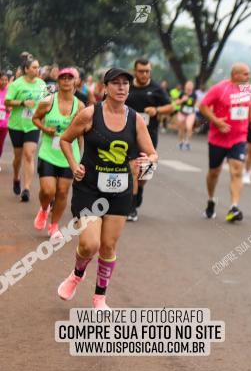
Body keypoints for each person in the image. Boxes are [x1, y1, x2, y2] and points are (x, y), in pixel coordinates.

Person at [56, 68, 158, 310]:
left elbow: (152, 153)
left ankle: (99, 297)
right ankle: (77, 274)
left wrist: (150, 161)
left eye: (126, 84)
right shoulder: (90, 115)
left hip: (120, 190)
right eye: (117, 83)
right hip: (89, 188)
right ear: (105, 87)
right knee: (89, 244)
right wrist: (73, 165)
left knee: (109, 246)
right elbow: (65, 139)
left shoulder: (135, 119)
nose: (122, 88)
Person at [199, 63, 251, 222]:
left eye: (249, 74)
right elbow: (203, 106)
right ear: (235, 75)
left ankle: (234, 207)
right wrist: (216, 121)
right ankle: (211, 200)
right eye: (245, 74)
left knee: (237, 170)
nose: (249, 77)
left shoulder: (246, 88)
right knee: (214, 173)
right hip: (218, 138)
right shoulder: (220, 88)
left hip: (239, 137)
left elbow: (249, 105)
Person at [31, 67, 83, 239]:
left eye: (70, 78)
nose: (66, 81)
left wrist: (80, 156)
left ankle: (54, 226)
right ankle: (44, 208)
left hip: (69, 155)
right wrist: (46, 129)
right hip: (48, 153)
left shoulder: (80, 106)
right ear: (58, 81)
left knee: (62, 192)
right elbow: (35, 118)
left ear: (75, 82)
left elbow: (83, 131)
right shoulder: (48, 101)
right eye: (63, 78)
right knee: (48, 191)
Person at [125, 58, 173, 221]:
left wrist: (157, 109)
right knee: (133, 169)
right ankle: (131, 208)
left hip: (149, 136)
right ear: (135, 71)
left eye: (147, 71)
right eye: (141, 71)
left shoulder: (157, 89)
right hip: (129, 135)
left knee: (144, 175)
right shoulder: (128, 86)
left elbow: (171, 107)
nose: (144, 74)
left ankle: (139, 191)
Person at [5, 55, 47, 202]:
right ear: (26, 69)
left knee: (29, 154)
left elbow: (46, 102)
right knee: (18, 157)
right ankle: (16, 177)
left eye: (38, 67)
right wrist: (23, 102)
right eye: (34, 67)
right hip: (16, 125)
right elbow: (7, 101)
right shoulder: (17, 84)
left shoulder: (42, 84)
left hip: (33, 125)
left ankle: (27, 188)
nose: (37, 69)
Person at [175, 81, 197, 150]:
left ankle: (187, 142)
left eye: (191, 86)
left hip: (191, 113)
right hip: (182, 113)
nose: (189, 87)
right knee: (181, 129)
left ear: (192, 87)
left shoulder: (194, 94)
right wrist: (182, 100)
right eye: (188, 86)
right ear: (185, 86)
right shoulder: (182, 93)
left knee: (189, 127)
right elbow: (177, 103)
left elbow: (196, 103)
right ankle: (181, 142)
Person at [0, 73, 9, 174]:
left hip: (4, 123)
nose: (4, 82)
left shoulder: (9, 93)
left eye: (5, 80)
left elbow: (11, 107)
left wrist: (8, 108)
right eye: (2, 79)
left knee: (0, 144)